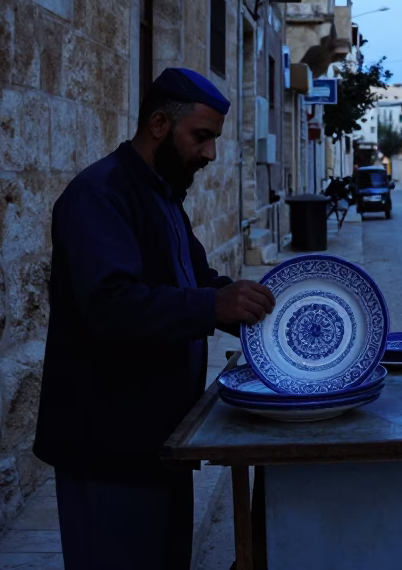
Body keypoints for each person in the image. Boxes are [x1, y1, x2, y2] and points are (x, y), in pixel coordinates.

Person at [33, 68, 276, 570]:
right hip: (107, 447)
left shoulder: (164, 195)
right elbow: (112, 306)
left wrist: (267, 313)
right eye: (202, 137)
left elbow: (200, 281)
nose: (210, 154)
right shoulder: (99, 195)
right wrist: (213, 307)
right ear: (161, 124)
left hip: (159, 443)